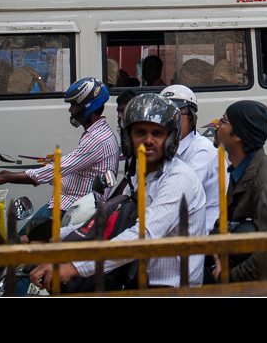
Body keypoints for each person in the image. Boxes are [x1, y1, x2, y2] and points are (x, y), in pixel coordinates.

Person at [28, 93, 207, 291]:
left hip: (171, 290)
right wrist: (53, 238)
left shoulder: (178, 178)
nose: (149, 140)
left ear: (169, 139)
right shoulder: (141, 175)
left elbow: (144, 235)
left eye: (157, 133)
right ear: (128, 137)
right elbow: (110, 221)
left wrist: (74, 267)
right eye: (140, 133)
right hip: (136, 281)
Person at [0, 77, 120, 235]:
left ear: (87, 106)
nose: (70, 110)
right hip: (65, 204)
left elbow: (56, 170)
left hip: (70, 210)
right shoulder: (97, 134)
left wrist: (5, 177)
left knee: (21, 242)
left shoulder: (97, 139)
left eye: (73, 105)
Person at [211, 100, 267, 282]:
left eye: (223, 121)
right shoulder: (241, 171)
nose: (216, 125)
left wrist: (229, 277)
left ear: (238, 135)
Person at [162, 84, 220, 232]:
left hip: (202, 232)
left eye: (176, 115)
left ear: (191, 120)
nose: (169, 121)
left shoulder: (202, 151)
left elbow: (177, 197)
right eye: (164, 115)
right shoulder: (165, 147)